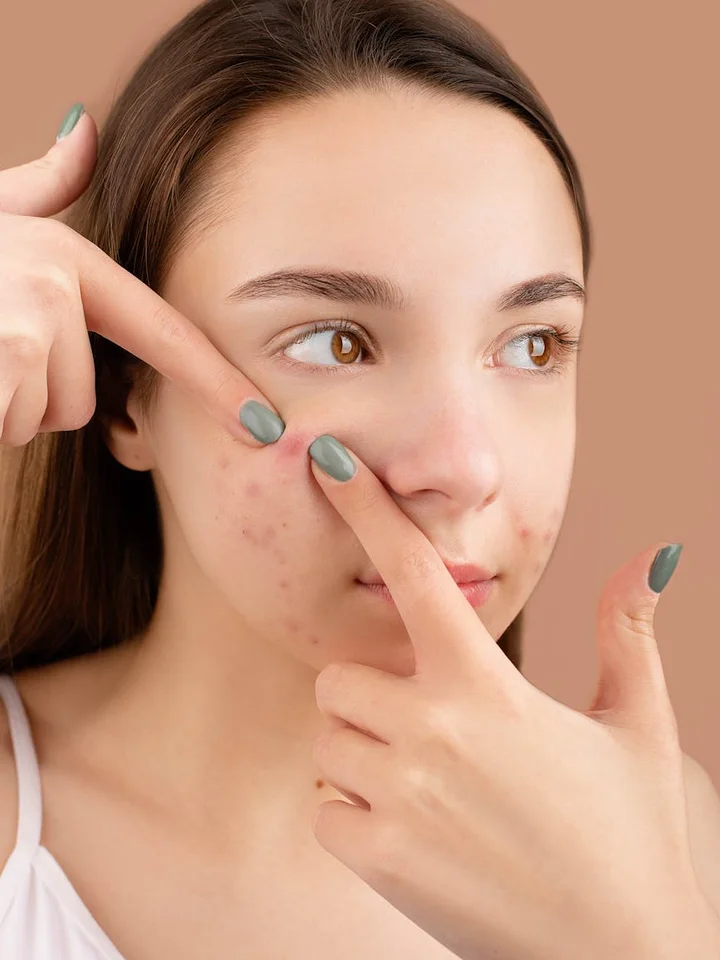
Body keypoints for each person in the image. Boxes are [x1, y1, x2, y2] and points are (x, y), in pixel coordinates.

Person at [0, 1, 718, 957]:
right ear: (129, 397)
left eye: (533, 343)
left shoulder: (661, 844)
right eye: (338, 342)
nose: (464, 470)